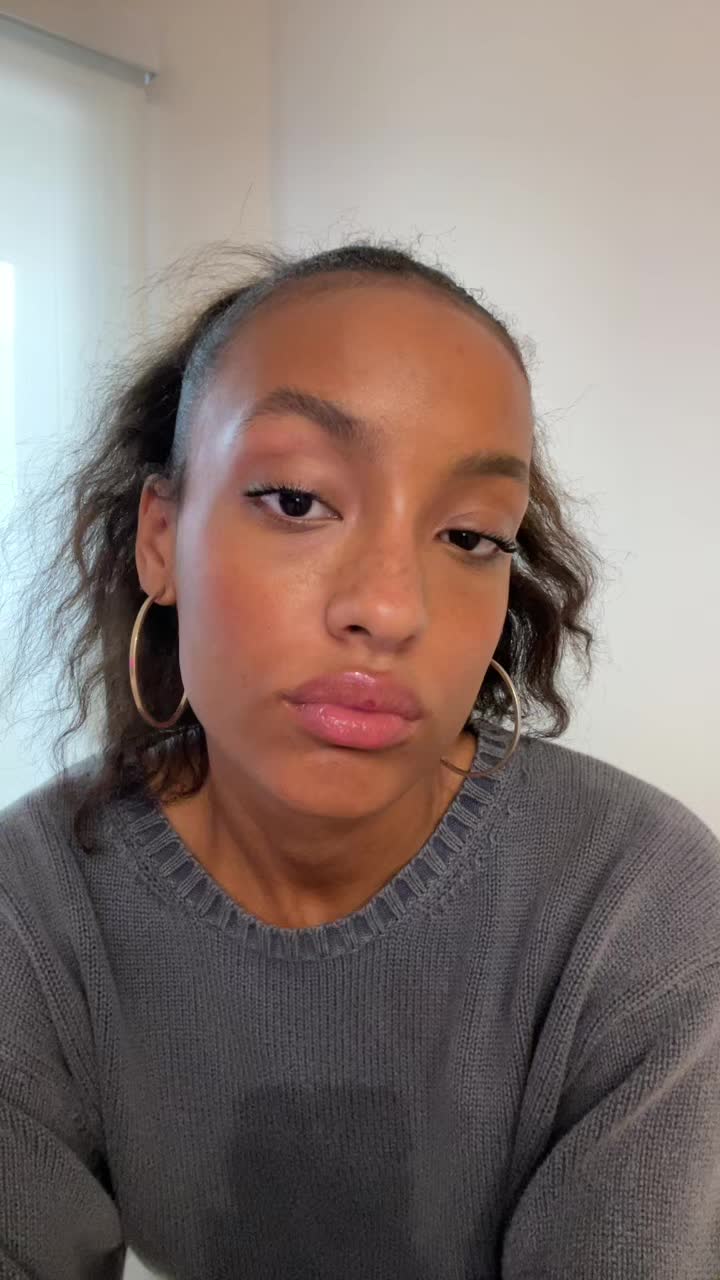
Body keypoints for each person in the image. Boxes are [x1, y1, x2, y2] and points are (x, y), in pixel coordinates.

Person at [1, 240, 718, 1280]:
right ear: (161, 537)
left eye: (470, 536)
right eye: (297, 499)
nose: (389, 607)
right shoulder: (34, 912)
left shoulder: (645, 913)